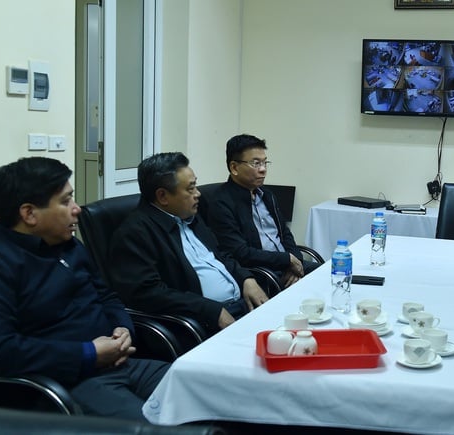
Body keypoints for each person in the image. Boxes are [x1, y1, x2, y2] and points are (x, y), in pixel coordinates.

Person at [0, 157, 169, 420]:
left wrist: (123, 329)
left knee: (203, 390)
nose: (77, 209)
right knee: (156, 428)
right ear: (29, 214)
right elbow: (2, 350)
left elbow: (107, 296)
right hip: (66, 383)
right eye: (66, 201)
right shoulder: (0, 262)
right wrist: (89, 354)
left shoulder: (69, 245)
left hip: (123, 363)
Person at [108, 152, 268, 334]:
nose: (198, 194)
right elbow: (149, 293)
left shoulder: (189, 216)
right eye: (190, 189)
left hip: (240, 305)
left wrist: (246, 278)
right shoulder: (135, 234)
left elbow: (221, 255)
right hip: (201, 323)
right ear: (163, 196)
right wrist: (210, 310)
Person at [205, 134, 319, 289]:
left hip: (286, 265)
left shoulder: (266, 195)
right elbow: (240, 252)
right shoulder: (221, 202)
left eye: (265, 163)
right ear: (234, 167)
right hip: (263, 272)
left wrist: (295, 262)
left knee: (330, 275)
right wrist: (286, 260)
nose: (263, 170)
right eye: (256, 163)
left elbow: (285, 234)